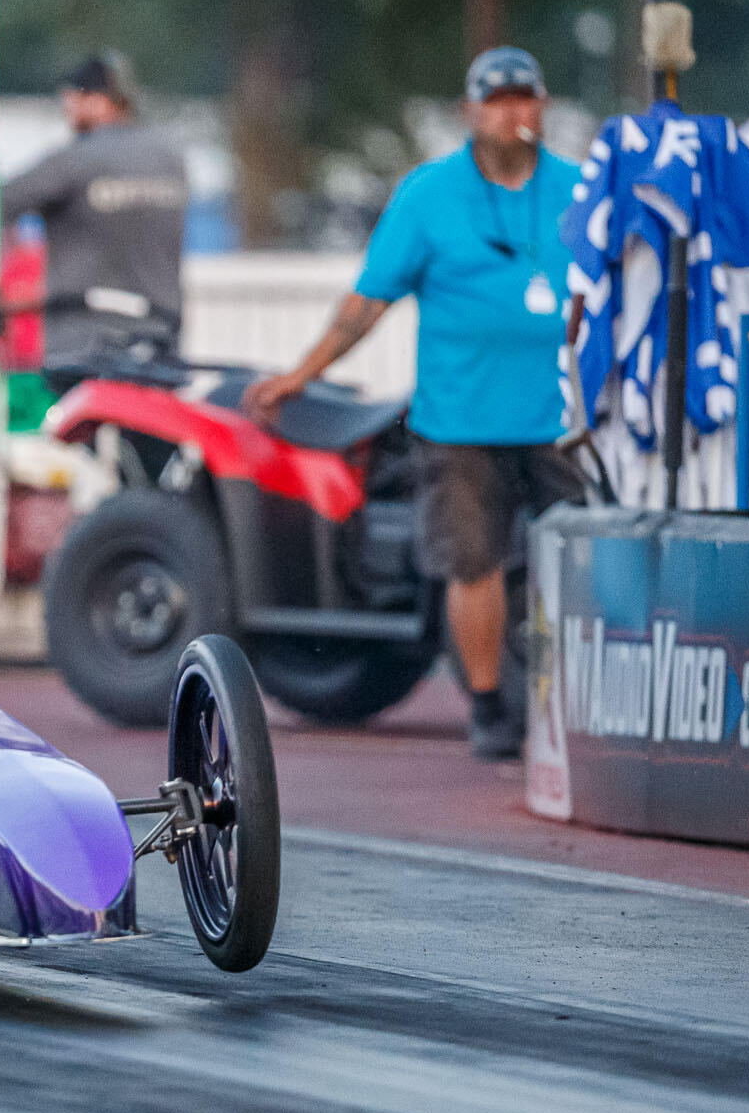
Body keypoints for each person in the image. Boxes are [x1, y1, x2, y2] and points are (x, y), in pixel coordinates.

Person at [242, 46, 585, 760]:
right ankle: (489, 705)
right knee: (474, 561)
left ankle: (582, 699)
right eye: (497, 100)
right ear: (470, 112)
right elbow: (369, 302)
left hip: (563, 417)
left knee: (584, 558)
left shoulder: (579, 190)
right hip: (460, 417)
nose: (512, 112)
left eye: (524, 98)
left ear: (543, 107)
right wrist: (300, 374)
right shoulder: (430, 194)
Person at [0, 50, 188, 368]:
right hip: (160, 337)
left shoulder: (75, 160)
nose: (68, 110)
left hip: (86, 342)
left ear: (98, 101)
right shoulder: (171, 158)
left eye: (71, 100)